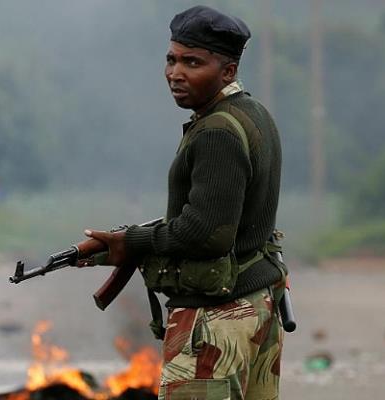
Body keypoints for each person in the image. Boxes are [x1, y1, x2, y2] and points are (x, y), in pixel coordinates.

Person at [85, 5, 286, 399]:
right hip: (255, 305)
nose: (176, 73)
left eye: (192, 62)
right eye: (171, 60)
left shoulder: (216, 132)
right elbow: (216, 213)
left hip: (215, 321)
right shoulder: (252, 113)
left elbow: (206, 233)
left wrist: (133, 243)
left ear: (227, 71)